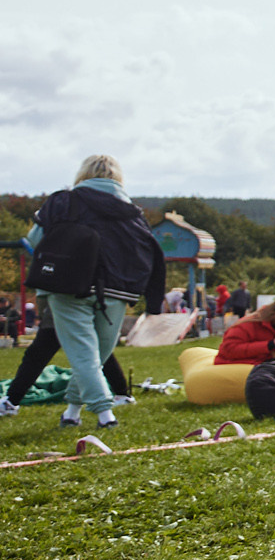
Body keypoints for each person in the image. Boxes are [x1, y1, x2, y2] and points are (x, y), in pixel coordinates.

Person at [20, 155, 164, 429]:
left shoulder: (63, 202)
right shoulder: (132, 213)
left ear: (83, 174)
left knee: (84, 353)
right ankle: (73, 413)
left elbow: (34, 239)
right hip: (117, 290)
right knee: (94, 354)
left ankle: (104, 415)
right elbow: (149, 252)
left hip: (68, 286)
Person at [2, 298, 134, 417]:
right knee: (96, 353)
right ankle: (114, 400)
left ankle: (104, 414)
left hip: (68, 299)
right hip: (82, 297)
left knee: (89, 355)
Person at [215, 291, 275, 363]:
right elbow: (228, 350)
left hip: (264, 364)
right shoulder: (248, 324)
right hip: (235, 363)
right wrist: (269, 345)